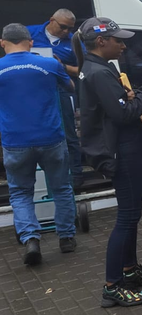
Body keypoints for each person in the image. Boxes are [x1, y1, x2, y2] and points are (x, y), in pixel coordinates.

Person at [73, 17, 142, 307]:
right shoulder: (98, 72)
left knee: (132, 215)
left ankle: (129, 269)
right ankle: (113, 285)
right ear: (101, 42)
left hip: (125, 150)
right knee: (127, 217)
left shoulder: (98, 68)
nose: (124, 45)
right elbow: (125, 115)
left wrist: (132, 95)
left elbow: (119, 106)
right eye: (118, 40)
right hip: (121, 154)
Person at [0, 24, 77, 265]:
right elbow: (71, 87)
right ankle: (66, 238)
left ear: (2, 43)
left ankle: (31, 238)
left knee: (21, 193)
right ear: (31, 42)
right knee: (62, 188)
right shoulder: (50, 65)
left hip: (15, 141)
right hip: (51, 137)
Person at [27, 10, 85, 187]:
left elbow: (84, 70)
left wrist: (62, 67)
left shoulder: (73, 41)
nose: (67, 31)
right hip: (34, 92)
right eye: (63, 27)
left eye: (70, 28)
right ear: (51, 20)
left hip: (63, 91)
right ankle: (41, 179)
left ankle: (76, 175)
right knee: (36, 134)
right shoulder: (29, 33)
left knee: (69, 134)